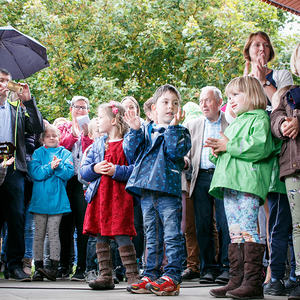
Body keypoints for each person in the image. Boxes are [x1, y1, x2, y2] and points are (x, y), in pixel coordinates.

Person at [207, 76, 278, 299]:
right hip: (230, 183)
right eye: (229, 97)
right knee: (235, 232)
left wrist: (229, 145)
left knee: (248, 228)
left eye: (236, 95)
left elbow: (259, 147)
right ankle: (236, 280)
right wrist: (218, 152)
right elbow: (229, 153)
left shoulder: (259, 119)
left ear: (253, 94)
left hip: (247, 182)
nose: (231, 100)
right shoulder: (236, 122)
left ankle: (253, 283)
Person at [124, 84, 191, 296]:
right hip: (147, 192)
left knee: (172, 234)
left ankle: (172, 276)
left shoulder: (181, 131)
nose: (170, 106)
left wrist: (173, 128)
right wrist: (134, 130)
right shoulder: (143, 131)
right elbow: (130, 153)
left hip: (168, 191)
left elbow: (175, 151)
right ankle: (150, 274)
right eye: (165, 102)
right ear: (153, 109)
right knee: (151, 235)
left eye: (175, 103)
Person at [80, 101, 139, 290]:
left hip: (120, 199)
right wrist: (94, 168)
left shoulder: (128, 143)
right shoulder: (97, 145)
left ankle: (133, 277)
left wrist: (117, 171)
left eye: (101, 117)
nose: (97, 121)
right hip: (100, 199)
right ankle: (105, 275)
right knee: (100, 235)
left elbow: (136, 170)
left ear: (114, 120)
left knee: (122, 234)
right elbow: (83, 172)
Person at [0, 68, 44, 281]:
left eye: (7, 81)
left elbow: (37, 127)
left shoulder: (16, 110)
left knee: (16, 217)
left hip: (12, 168)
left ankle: (14, 264)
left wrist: (28, 101)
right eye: (0, 80)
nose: (4, 85)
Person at [184, 87, 230, 284]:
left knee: (224, 223)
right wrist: (185, 161)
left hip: (223, 177)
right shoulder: (193, 124)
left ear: (219, 102)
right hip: (200, 177)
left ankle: (227, 267)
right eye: (201, 101)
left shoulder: (231, 122)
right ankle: (208, 269)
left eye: (208, 100)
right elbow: (187, 152)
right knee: (202, 225)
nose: (203, 104)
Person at [270, 43, 300, 300]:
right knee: (296, 225)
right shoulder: (288, 93)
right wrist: (284, 124)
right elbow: (275, 118)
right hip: (293, 167)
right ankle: (298, 276)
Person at [28, 125, 74, 281]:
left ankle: (53, 267)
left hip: (57, 201)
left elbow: (68, 173)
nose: (52, 138)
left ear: (59, 138)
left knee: (54, 234)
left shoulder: (65, 153)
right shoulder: (37, 153)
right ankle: (39, 268)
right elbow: (36, 173)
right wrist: (50, 167)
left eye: (55, 135)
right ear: (42, 139)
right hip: (40, 201)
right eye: (48, 136)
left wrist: (59, 166)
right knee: (39, 235)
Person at [57, 96, 93, 280]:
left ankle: (82, 266)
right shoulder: (64, 128)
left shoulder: (92, 128)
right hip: (65, 180)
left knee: (82, 225)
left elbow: (91, 152)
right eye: (77, 107)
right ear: (71, 109)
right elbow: (61, 145)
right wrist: (74, 133)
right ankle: (64, 265)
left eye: (84, 107)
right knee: (65, 224)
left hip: (83, 182)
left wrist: (86, 135)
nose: (80, 110)